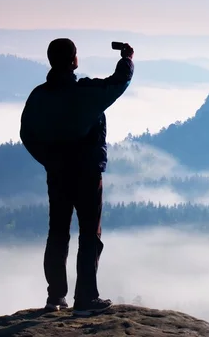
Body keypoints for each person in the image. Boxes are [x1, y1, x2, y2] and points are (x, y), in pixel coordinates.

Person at [19, 38, 134, 316]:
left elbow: (27, 134)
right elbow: (117, 83)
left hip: (57, 174)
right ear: (73, 60)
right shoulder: (85, 92)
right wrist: (127, 58)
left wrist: (49, 160)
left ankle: (55, 296)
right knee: (89, 234)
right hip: (87, 173)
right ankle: (85, 299)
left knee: (57, 232)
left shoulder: (39, 96)